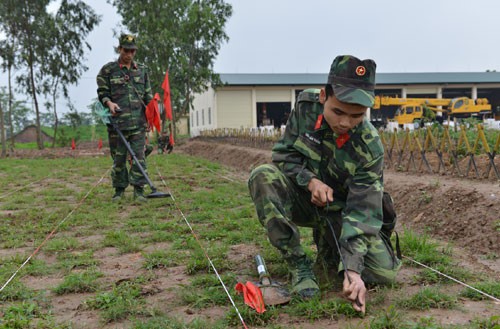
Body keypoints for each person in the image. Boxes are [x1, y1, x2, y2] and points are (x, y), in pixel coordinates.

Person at [248, 55, 401, 313]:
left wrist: (353, 271)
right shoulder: (306, 108)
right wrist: (311, 182)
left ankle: (331, 248)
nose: (345, 123)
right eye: (338, 111)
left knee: (384, 273)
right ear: (323, 96)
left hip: (342, 212)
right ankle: (299, 264)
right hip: (304, 202)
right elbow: (284, 155)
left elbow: (362, 210)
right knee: (263, 175)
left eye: (356, 116)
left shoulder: (369, 146)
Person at [96, 34, 153, 202]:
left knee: (139, 157)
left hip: (138, 123)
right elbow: (102, 92)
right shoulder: (108, 70)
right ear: (120, 49)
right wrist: (109, 103)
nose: (129, 54)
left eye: (132, 51)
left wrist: (151, 118)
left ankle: (139, 191)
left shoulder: (142, 70)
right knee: (119, 158)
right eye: (126, 50)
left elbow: (148, 97)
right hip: (117, 124)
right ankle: (119, 190)